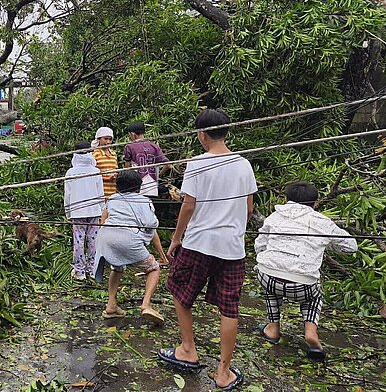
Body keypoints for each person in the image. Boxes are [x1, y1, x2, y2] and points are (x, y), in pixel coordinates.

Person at [158, 109, 257, 392]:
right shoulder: (244, 165)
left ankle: (188, 348)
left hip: (199, 243)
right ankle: (223, 372)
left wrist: (176, 238)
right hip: (232, 248)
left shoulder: (197, 163)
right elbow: (248, 209)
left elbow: (188, 205)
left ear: (202, 135)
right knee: (229, 307)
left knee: (178, 286)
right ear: (226, 132)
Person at [254, 181, 357, 360]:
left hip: (268, 276)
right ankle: (310, 332)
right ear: (315, 203)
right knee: (314, 296)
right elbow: (351, 247)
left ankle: (272, 328)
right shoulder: (323, 222)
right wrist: (328, 244)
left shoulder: (274, 217)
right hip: (302, 285)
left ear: (287, 199)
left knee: (269, 283)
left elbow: (259, 246)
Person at [93, 170, 168, 324]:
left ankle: (111, 306)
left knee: (117, 267)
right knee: (153, 268)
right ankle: (146, 305)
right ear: (138, 186)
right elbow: (151, 224)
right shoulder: (144, 201)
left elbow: (103, 220)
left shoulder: (112, 199)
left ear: (117, 185)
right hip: (127, 239)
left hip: (105, 237)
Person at [64, 141, 105, 280]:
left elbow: (67, 194)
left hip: (77, 211)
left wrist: (68, 212)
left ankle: (79, 271)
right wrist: (102, 209)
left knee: (78, 241)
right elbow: (101, 193)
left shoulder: (71, 172)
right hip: (94, 210)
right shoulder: (96, 171)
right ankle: (93, 269)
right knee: (93, 240)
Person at [123, 121, 169, 197]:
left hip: (136, 188)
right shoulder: (154, 146)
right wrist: (159, 175)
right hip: (153, 187)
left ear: (133, 134)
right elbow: (168, 165)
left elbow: (127, 169)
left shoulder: (130, 146)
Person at [91, 127, 118, 199]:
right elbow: (92, 175)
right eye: (105, 139)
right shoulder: (94, 154)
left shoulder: (113, 154)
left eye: (110, 139)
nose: (108, 142)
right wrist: (107, 178)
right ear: (99, 139)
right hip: (100, 192)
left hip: (113, 192)